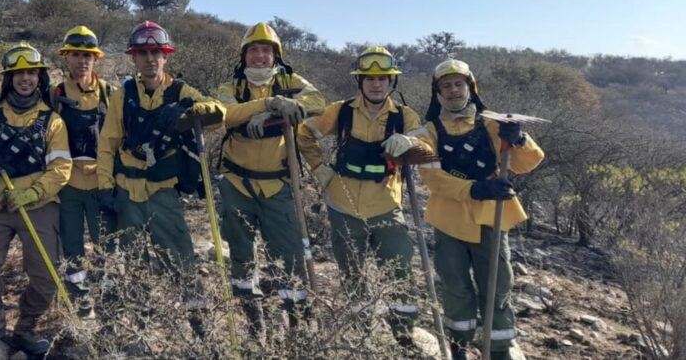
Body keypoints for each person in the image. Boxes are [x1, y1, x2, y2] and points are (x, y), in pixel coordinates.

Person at [96, 20, 224, 340]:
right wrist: (104, 186)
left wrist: (193, 111)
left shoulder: (180, 91)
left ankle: (198, 327)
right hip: (127, 192)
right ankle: (140, 326)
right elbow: (108, 141)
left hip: (164, 194)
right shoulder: (122, 94)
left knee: (181, 259)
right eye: (143, 53)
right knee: (132, 261)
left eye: (157, 52)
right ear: (134, 59)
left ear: (166, 57)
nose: (151, 59)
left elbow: (217, 111)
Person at [412, 58, 544, 360]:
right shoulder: (427, 132)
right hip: (449, 221)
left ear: (470, 87)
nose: (453, 91)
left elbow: (528, 163)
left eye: (459, 84)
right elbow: (432, 177)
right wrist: (474, 188)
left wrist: (519, 139)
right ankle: (458, 348)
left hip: (491, 218)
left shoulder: (495, 124)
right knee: (456, 288)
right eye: (446, 86)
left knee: (496, 287)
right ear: (437, 93)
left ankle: (499, 349)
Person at [297, 46, 424, 351]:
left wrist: (411, 141)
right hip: (343, 204)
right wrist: (320, 169)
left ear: (392, 82)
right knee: (352, 274)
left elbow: (426, 137)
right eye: (369, 78)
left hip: (386, 204)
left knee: (399, 271)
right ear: (360, 81)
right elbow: (305, 133)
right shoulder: (340, 111)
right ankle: (362, 334)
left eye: (382, 78)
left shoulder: (404, 116)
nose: (376, 84)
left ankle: (404, 338)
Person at [213, 22, 325, 341]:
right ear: (244, 55)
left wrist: (293, 107)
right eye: (253, 50)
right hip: (237, 183)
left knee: (289, 256)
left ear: (276, 56)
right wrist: (267, 105)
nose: (259, 56)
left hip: (279, 184)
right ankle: (255, 326)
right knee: (242, 255)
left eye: (266, 50)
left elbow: (318, 102)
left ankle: (297, 329)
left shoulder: (289, 80)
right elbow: (225, 114)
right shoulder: (232, 86)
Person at [0, 42, 71, 356]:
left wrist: (34, 192)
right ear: (7, 78)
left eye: (31, 73)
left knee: (46, 274)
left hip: (38, 204)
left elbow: (61, 167)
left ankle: (26, 327)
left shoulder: (52, 120)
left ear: (39, 78)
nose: (25, 79)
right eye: (18, 73)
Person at [51, 25, 113, 317]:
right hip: (68, 186)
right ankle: (80, 304)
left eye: (88, 55)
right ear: (66, 57)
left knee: (107, 246)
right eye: (76, 54)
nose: (82, 60)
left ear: (96, 59)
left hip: (102, 184)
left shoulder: (111, 93)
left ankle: (110, 304)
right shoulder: (55, 95)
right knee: (72, 247)